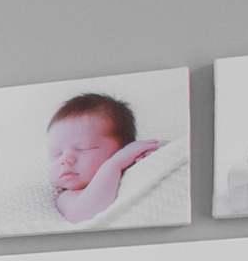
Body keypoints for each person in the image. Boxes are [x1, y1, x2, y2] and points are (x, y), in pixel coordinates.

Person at [45, 92, 168, 224]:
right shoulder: (68, 196)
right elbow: (82, 215)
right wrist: (114, 164)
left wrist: (148, 152)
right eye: (56, 153)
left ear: (124, 149)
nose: (65, 160)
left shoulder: (132, 167)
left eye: (83, 148)